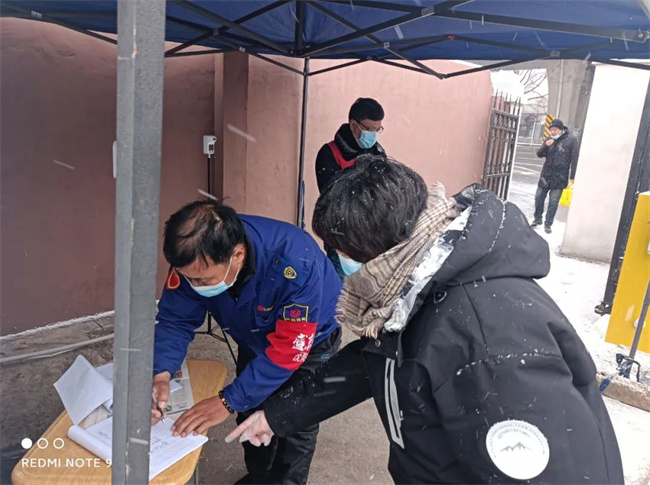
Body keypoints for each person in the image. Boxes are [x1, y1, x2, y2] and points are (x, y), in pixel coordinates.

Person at [226, 156, 624, 484]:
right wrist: (278, 415)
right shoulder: (420, 289)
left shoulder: (487, 339)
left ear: (379, 252)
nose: (340, 264)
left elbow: (555, 472)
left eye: (342, 253)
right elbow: (375, 359)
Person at [151, 200, 342, 484]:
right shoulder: (193, 260)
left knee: (293, 421)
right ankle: (258, 477)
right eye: (189, 279)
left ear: (237, 255)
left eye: (203, 280)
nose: (194, 286)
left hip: (312, 340)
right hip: (255, 335)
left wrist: (226, 401)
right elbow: (175, 320)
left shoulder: (295, 262)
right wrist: (162, 372)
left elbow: (288, 351)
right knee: (250, 413)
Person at [315, 97, 386, 280]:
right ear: (354, 125)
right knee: (341, 291)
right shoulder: (329, 154)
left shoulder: (378, 153)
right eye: (369, 129)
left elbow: (385, 193)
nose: (373, 135)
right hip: (341, 240)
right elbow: (334, 197)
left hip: (372, 240)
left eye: (377, 130)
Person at [533, 118, 579, 234]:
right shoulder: (549, 139)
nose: (552, 132)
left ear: (561, 129)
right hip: (546, 175)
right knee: (538, 197)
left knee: (553, 202)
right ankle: (537, 219)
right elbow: (539, 154)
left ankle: (548, 224)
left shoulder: (571, 140)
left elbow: (575, 159)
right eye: (551, 130)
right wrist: (546, 145)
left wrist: (573, 176)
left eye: (555, 130)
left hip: (560, 177)